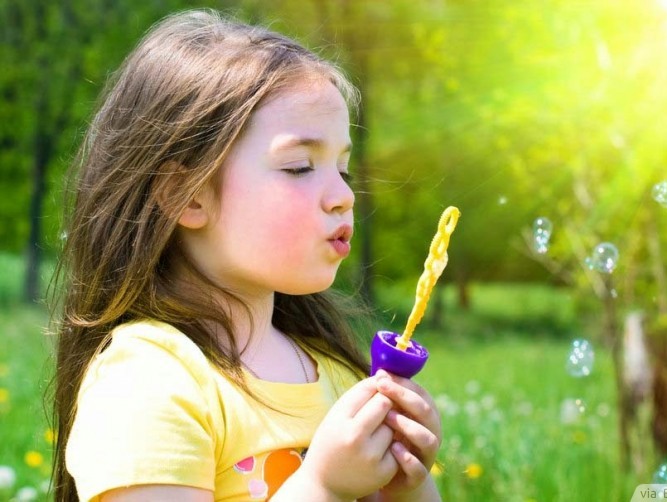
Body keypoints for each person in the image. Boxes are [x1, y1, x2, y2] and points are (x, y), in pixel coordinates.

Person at [50, 9, 441, 502]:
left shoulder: (339, 375)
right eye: (300, 166)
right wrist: (322, 486)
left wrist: (409, 483)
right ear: (187, 195)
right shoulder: (150, 381)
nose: (343, 195)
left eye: (342, 168)